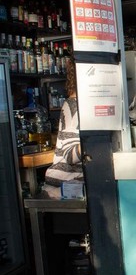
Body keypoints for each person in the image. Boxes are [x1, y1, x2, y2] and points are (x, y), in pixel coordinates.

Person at [44, 57, 83, 197]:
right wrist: (92, 141)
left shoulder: (85, 104)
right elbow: (69, 156)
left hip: (79, 181)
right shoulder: (73, 106)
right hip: (67, 184)